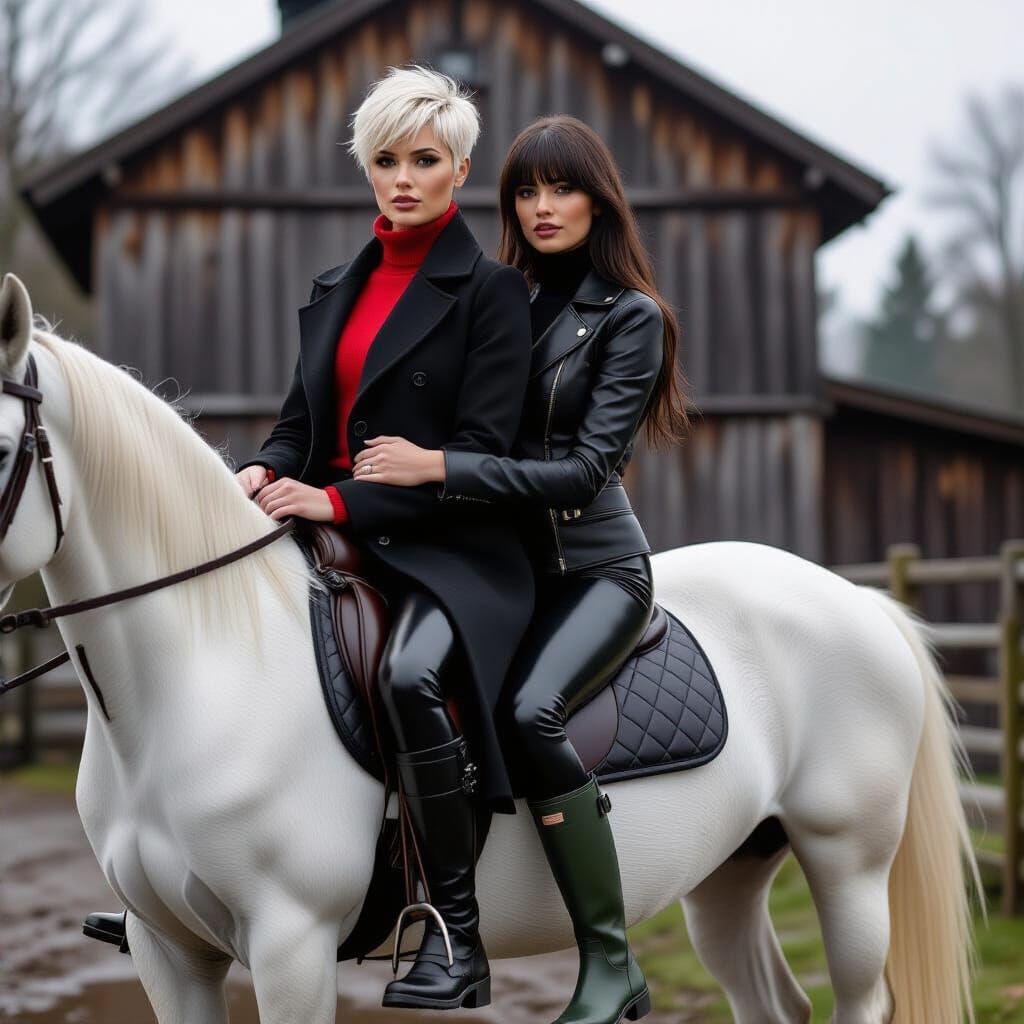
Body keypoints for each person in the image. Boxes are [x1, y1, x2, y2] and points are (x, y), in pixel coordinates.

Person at [82, 65, 536, 1014]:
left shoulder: (492, 295)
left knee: (410, 676)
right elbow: (301, 428)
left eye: (423, 159)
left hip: (447, 546)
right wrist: (254, 470)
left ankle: (451, 926)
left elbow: (483, 453)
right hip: (323, 525)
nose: (401, 178)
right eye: (383, 160)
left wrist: (339, 506)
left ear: (459, 168)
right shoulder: (338, 285)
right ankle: (169, 883)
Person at [348, 114, 691, 1024]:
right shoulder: (496, 296)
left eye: (562, 189)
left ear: (598, 199)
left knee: (531, 713)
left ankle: (613, 962)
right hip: (493, 566)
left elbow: (586, 471)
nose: (542, 208)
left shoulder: (631, 320)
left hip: (591, 569)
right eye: (526, 192)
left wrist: (439, 468)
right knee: (375, 666)